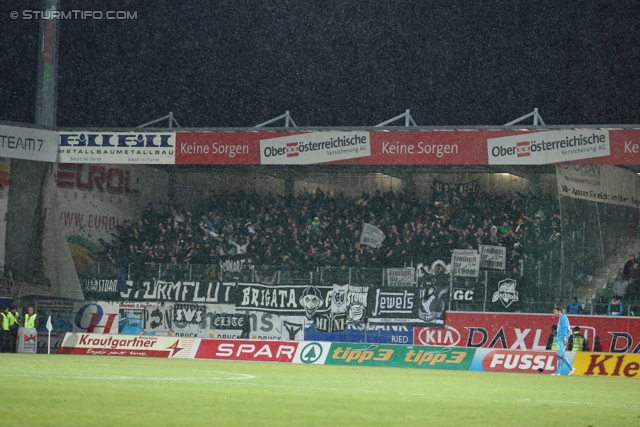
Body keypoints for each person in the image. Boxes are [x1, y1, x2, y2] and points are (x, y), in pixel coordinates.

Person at [551, 306, 575, 376]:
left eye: (555, 311)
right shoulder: (561, 318)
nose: (554, 313)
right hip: (559, 339)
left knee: (560, 354)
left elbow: (565, 327)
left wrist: (564, 337)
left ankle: (571, 368)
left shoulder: (563, 318)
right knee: (558, 355)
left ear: (559, 311)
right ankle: (558, 372)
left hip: (562, 339)